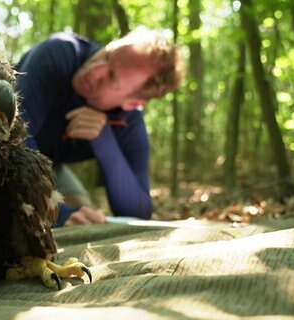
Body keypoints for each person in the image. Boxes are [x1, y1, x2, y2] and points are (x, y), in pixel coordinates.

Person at [14, 27, 184, 227]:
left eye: (111, 77)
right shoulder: (58, 53)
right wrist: (55, 214)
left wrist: (104, 140)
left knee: (85, 218)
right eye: (107, 54)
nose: (94, 69)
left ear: (131, 103)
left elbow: (137, 212)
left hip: (48, 165)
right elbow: (12, 136)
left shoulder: (128, 124)